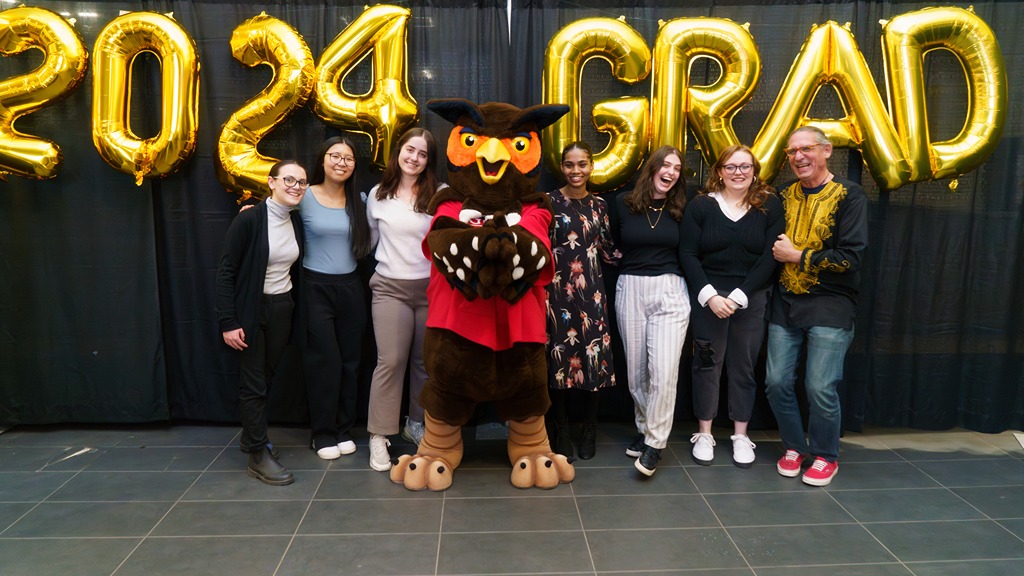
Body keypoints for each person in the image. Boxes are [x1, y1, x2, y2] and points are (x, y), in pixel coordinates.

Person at [766, 126, 869, 487]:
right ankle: (795, 447)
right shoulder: (781, 196)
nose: (798, 157)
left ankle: (826, 455)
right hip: (785, 302)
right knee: (776, 382)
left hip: (831, 304)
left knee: (819, 386)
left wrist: (799, 256)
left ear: (826, 151)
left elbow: (851, 258)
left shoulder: (850, 196)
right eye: (791, 151)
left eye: (806, 149)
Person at [680, 144, 784, 468]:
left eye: (745, 167)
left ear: (754, 171)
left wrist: (741, 295)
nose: (738, 173)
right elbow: (688, 254)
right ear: (719, 171)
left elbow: (772, 255)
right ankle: (705, 433)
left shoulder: (769, 205)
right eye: (731, 166)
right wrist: (710, 295)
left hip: (751, 298)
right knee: (707, 364)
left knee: (743, 365)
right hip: (708, 298)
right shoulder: (700, 206)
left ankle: (740, 434)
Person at [216, 159, 307, 485]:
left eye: (302, 182)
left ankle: (251, 437)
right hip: (251, 311)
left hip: (282, 308)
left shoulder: (295, 222)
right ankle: (258, 454)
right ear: (271, 182)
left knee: (265, 379)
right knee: (253, 383)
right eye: (289, 180)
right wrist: (228, 321)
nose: (296, 186)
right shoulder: (250, 220)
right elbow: (226, 272)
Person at [365, 128, 444, 471]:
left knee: (424, 362)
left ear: (429, 161)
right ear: (399, 151)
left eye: (422, 154)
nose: (414, 158)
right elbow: (369, 241)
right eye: (410, 150)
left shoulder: (440, 194)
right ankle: (379, 436)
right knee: (391, 360)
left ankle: (416, 424)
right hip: (389, 287)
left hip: (430, 289)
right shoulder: (377, 195)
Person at [612, 145, 690, 476]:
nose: (671, 171)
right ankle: (646, 429)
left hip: (671, 289)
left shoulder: (685, 207)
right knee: (636, 374)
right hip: (630, 286)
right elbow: (614, 244)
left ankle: (656, 443)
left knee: (663, 372)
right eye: (666, 165)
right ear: (653, 168)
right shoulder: (622, 203)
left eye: (677, 167)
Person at [545, 142, 620, 460]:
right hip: (557, 294)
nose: (576, 170)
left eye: (582, 164)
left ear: (591, 166)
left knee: (595, 360)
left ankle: (589, 428)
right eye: (569, 164)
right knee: (558, 361)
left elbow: (607, 249)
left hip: (592, 295)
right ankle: (561, 428)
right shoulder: (548, 201)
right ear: (561, 167)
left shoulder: (600, 205)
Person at [301, 136, 373, 460]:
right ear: (323, 159)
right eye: (335, 156)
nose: (341, 162)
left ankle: (344, 429)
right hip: (315, 288)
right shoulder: (304, 195)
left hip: (350, 288)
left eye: (349, 158)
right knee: (324, 362)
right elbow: (272, 215)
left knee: (351, 363)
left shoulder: (358, 200)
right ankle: (323, 433)